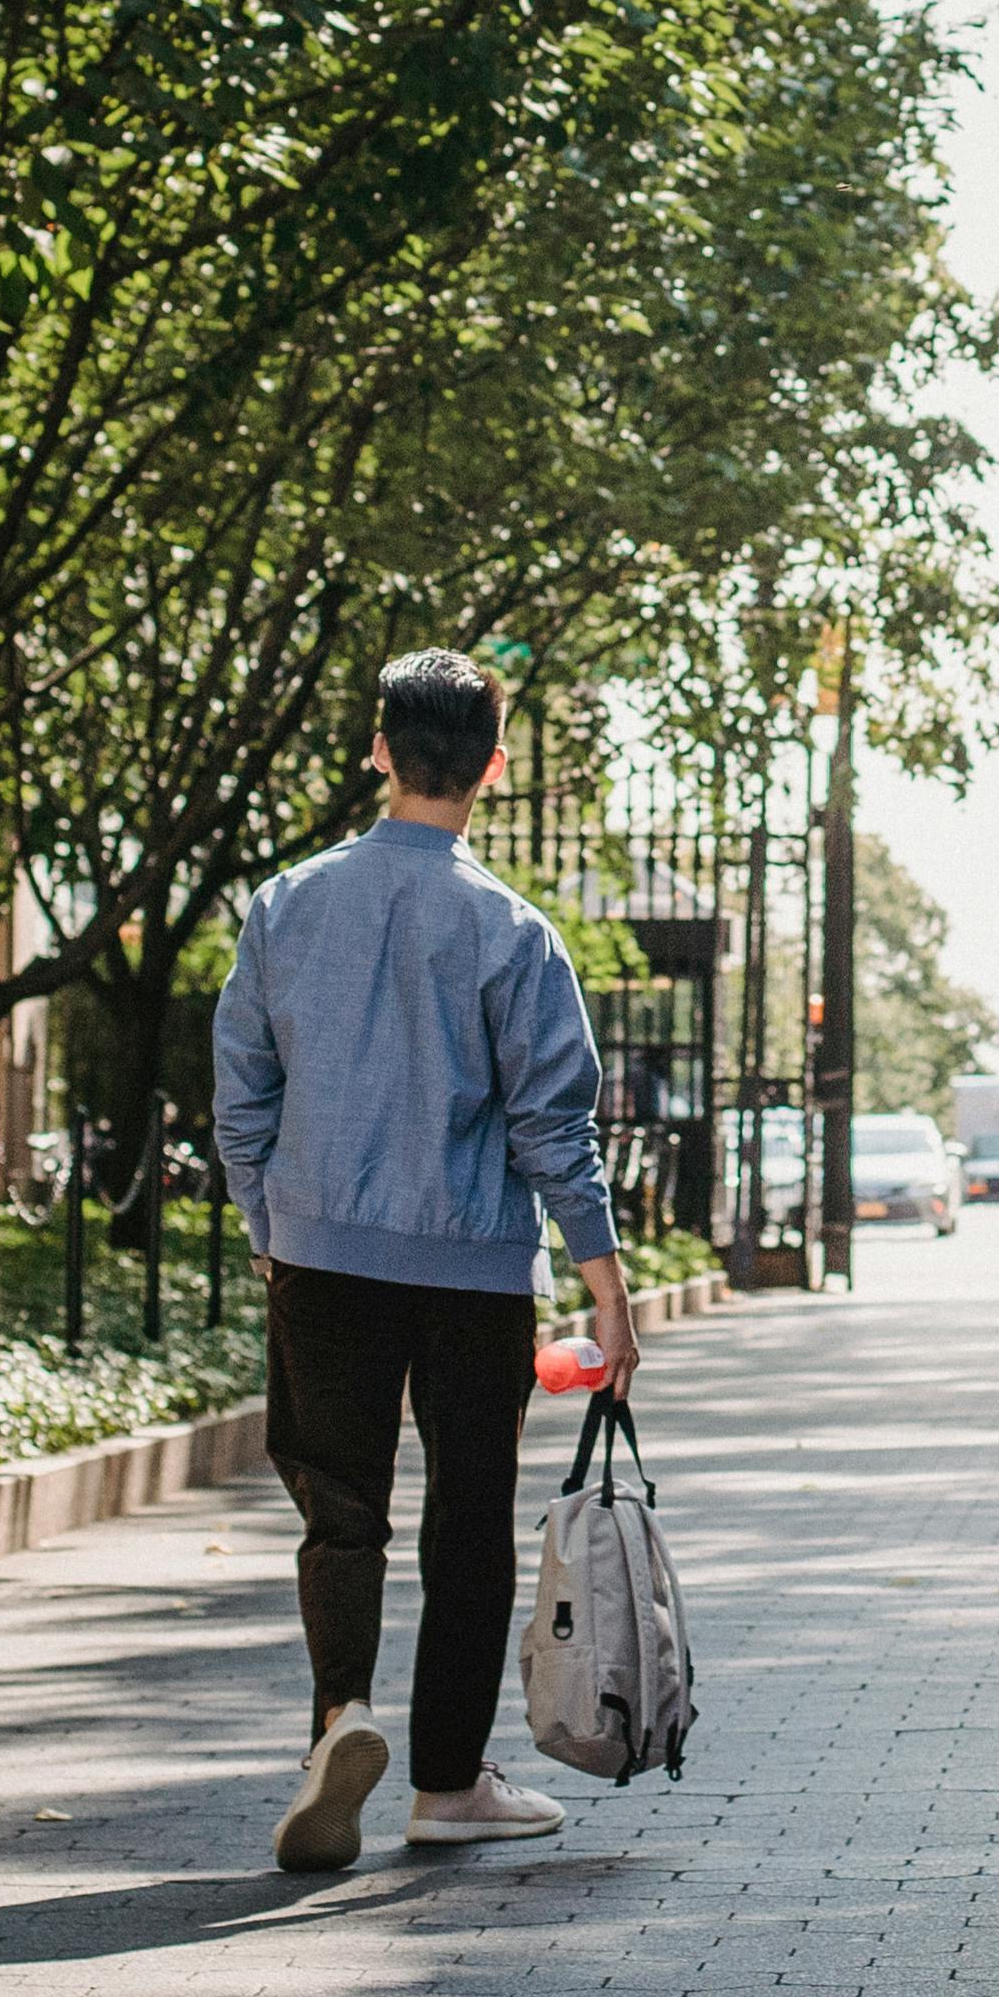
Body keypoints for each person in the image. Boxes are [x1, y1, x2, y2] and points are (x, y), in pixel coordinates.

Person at [215, 646, 646, 1873]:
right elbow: (553, 1127)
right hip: (469, 1268)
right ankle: (449, 1784)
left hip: (320, 1256)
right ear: (492, 771)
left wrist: (268, 1224)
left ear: (377, 750)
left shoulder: (287, 905)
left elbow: (242, 1088)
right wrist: (606, 1287)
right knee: (470, 1520)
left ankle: (339, 1718)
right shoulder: (510, 930)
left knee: (339, 1510)